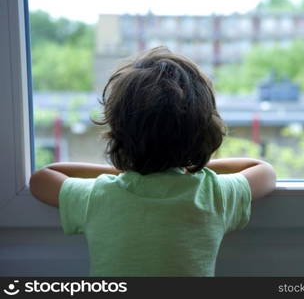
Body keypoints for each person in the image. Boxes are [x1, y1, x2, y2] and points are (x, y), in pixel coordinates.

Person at [29, 47, 276, 276]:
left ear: (118, 132)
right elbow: (264, 172)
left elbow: (42, 178)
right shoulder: (212, 194)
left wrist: (126, 170)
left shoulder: (101, 195)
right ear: (203, 131)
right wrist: (191, 164)